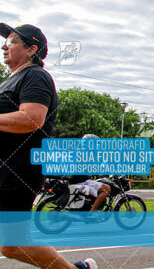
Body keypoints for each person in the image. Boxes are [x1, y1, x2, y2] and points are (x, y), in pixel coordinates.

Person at [0, 23, 96, 269]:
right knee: (12, 245)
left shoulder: (35, 76)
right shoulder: (10, 81)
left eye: (11, 42)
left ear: (32, 49)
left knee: (13, 245)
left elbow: (32, 118)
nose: (4, 46)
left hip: (15, 173)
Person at [69, 134, 111, 215]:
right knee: (106, 189)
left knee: (97, 186)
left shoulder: (79, 152)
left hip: (75, 181)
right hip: (81, 182)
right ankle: (91, 212)